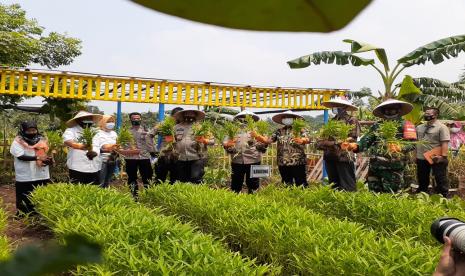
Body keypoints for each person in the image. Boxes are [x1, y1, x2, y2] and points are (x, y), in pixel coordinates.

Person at [347, 99, 416, 193]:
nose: (389, 111)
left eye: (392, 109)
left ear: (398, 110)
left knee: (392, 194)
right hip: (375, 166)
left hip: (393, 167)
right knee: (374, 194)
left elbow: (412, 144)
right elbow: (367, 139)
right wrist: (357, 146)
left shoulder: (405, 125)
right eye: (386, 109)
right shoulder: (377, 125)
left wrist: (400, 147)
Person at [317, 98, 360, 191]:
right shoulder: (331, 122)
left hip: (344, 157)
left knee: (347, 186)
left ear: (344, 107)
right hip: (330, 157)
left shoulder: (351, 120)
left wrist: (334, 142)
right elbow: (321, 141)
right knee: (334, 186)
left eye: (337, 106)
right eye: (334, 106)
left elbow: (352, 137)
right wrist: (336, 143)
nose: (335, 108)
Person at [10, 121, 52, 215]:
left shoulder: (42, 141)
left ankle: (39, 213)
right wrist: (37, 158)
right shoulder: (18, 141)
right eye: (29, 131)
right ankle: (23, 214)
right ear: (23, 130)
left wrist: (48, 160)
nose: (32, 132)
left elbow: (46, 154)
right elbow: (20, 156)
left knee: (41, 194)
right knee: (25, 195)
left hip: (41, 173)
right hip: (25, 174)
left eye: (34, 130)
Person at [223, 110, 268, 193]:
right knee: (236, 182)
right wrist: (228, 144)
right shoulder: (233, 130)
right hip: (237, 161)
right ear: (238, 119)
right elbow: (225, 142)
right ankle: (236, 200)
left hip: (255, 160)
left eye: (247, 118)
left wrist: (257, 136)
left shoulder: (258, 129)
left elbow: (266, 141)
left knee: (254, 183)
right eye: (242, 118)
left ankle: (253, 199)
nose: (244, 120)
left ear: (252, 119)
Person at [270, 110, 311, 187]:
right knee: (286, 183)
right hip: (283, 161)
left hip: (298, 161)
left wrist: (302, 140)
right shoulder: (279, 131)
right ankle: (288, 197)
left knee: (301, 183)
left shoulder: (301, 130)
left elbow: (308, 139)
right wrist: (258, 137)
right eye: (285, 117)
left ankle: (302, 198)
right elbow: (270, 140)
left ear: (294, 119)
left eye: (289, 117)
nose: (286, 119)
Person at [416, 107, 450, 197]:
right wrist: (415, 155)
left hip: (436, 157)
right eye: (425, 114)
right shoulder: (419, 127)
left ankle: (444, 195)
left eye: (428, 114)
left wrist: (443, 157)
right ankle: (422, 194)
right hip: (421, 157)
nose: (426, 115)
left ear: (435, 115)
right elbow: (416, 142)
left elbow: (445, 142)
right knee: (422, 177)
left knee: (440, 177)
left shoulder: (442, 127)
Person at [173, 109, 213, 183]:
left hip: (197, 157)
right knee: (182, 180)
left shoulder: (202, 128)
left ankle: (197, 193)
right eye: (187, 114)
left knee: (196, 179)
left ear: (195, 116)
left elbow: (212, 141)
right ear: (183, 115)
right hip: (181, 158)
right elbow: (172, 141)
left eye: (191, 114)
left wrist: (204, 140)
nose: (189, 116)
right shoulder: (176, 128)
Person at [63, 111, 102, 185]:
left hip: (95, 167)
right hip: (77, 167)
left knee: (94, 192)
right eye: (86, 118)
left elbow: (100, 145)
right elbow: (67, 141)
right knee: (77, 191)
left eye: (90, 118)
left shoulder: (96, 131)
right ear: (78, 120)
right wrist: (80, 146)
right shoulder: (71, 130)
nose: (88, 120)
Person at [123, 112, 157, 197]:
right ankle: (134, 196)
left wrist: (154, 153)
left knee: (147, 178)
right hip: (131, 158)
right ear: (130, 119)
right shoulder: (126, 132)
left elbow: (151, 143)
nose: (136, 120)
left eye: (138, 118)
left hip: (144, 157)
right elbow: (123, 145)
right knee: (132, 178)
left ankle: (148, 195)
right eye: (134, 118)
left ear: (141, 119)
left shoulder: (146, 131)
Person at [154, 107, 183, 184]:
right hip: (164, 155)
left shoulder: (183, 126)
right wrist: (152, 150)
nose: (179, 118)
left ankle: (170, 195)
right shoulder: (164, 124)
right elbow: (149, 135)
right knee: (160, 178)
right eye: (177, 116)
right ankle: (155, 194)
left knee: (175, 179)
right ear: (172, 115)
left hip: (177, 156)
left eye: (180, 116)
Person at [93, 115, 118, 188]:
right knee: (101, 180)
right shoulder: (98, 133)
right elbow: (104, 146)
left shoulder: (114, 133)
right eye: (108, 121)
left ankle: (105, 196)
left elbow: (117, 144)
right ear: (103, 122)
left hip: (113, 159)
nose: (111, 123)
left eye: (112, 121)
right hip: (102, 160)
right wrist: (113, 147)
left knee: (108, 180)